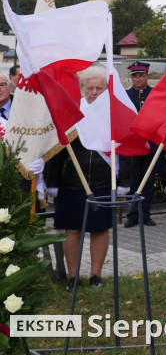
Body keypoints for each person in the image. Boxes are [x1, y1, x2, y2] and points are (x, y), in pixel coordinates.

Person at [43, 68, 114, 290]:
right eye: (89, 88)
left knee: (100, 229)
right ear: (82, 89)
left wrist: (124, 181)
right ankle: (73, 277)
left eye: (99, 88)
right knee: (72, 230)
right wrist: (52, 181)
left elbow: (124, 147)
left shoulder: (113, 114)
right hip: (71, 183)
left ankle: (96, 276)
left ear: (105, 90)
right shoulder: (72, 112)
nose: (94, 92)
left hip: (103, 182)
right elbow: (56, 148)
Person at [124, 61, 156, 227]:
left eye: (141, 75)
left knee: (148, 182)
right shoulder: (126, 95)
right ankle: (132, 215)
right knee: (134, 181)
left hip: (151, 145)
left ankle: (145, 214)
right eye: (135, 76)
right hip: (132, 145)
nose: (137, 79)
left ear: (147, 76)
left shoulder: (155, 94)